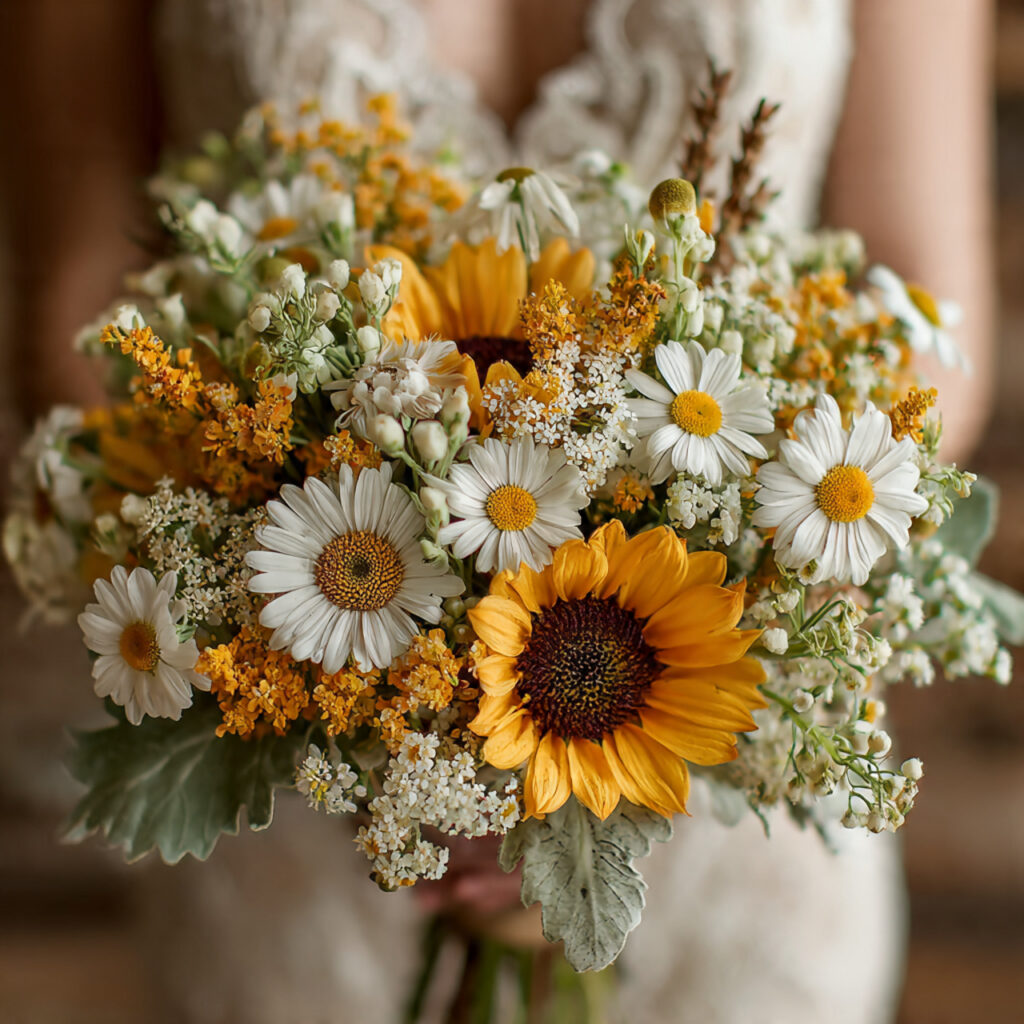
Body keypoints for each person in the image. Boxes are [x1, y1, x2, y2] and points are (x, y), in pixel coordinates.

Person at [0, 2, 995, 1021]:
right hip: (301, 736)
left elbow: (920, 293)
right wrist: (369, 719)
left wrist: (712, 649)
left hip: (723, 762)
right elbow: (81, 300)